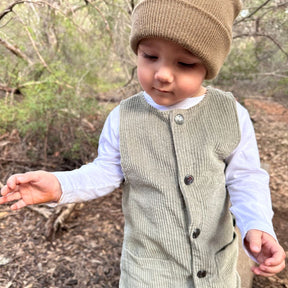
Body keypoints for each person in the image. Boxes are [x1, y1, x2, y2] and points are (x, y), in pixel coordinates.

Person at [0, 0, 285, 287]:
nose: (161, 73)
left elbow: (246, 177)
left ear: (209, 66)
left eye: (184, 63)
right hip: (147, 273)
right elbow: (105, 171)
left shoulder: (231, 114)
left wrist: (257, 224)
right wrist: (60, 185)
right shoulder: (123, 118)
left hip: (216, 271)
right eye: (150, 57)